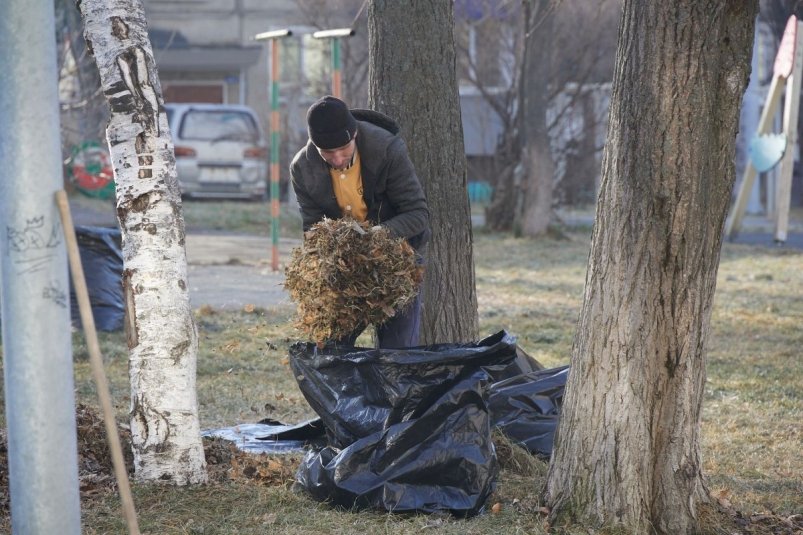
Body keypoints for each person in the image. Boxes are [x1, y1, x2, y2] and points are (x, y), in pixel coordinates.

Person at [290, 95, 430, 349]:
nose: (337, 159)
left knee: (398, 351)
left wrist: (378, 235)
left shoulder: (386, 149)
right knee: (332, 347)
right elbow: (312, 227)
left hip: (397, 258)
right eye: (327, 153)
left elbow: (418, 214)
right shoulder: (302, 168)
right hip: (344, 267)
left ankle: (393, 387)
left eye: (343, 150)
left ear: (354, 135)